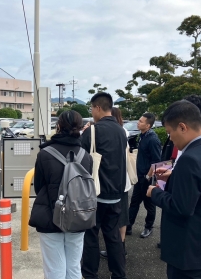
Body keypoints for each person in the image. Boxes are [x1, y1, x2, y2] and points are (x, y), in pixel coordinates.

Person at [147, 100, 201, 279]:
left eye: (170, 132)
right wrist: (173, 176)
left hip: (189, 251)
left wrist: (155, 192)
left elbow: (181, 207)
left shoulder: (189, 159)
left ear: (182, 127)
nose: (170, 140)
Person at [28, 110, 93, 279]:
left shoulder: (45, 154)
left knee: (54, 268)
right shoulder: (85, 155)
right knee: (73, 266)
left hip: (50, 215)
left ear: (58, 126)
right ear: (80, 127)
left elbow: (39, 187)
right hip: (78, 215)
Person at [81, 92, 127, 279]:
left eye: (92, 108)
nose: (92, 112)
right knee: (113, 235)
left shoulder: (92, 131)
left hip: (96, 193)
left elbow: (80, 158)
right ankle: (118, 274)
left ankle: (90, 274)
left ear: (98, 108)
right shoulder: (121, 131)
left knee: (91, 236)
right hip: (117, 192)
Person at [100, 107, 131, 259]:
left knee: (114, 219)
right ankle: (120, 248)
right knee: (122, 217)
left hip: (113, 183)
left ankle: (118, 249)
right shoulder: (123, 131)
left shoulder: (116, 132)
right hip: (122, 182)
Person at [126, 113, 161, 238]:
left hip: (147, 178)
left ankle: (148, 227)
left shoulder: (153, 139)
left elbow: (156, 161)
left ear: (148, 125)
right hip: (140, 176)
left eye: (141, 121)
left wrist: (148, 176)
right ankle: (128, 226)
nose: (138, 123)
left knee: (149, 204)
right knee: (134, 202)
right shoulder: (142, 136)